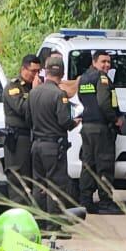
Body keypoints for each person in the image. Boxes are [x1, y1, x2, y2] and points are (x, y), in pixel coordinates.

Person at [28, 55, 79, 216]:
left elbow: (28, 118)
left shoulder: (33, 92)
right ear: (62, 73)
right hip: (53, 147)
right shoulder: (59, 94)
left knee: (39, 185)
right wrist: (74, 122)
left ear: (46, 71)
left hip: (36, 145)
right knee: (56, 185)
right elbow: (64, 121)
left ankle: (39, 222)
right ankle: (54, 225)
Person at [77, 51, 122, 215]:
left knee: (88, 165)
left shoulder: (83, 78)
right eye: (103, 61)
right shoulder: (102, 78)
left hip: (87, 126)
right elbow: (104, 102)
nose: (107, 65)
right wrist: (114, 119)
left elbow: (82, 99)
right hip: (101, 128)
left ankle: (85, 200)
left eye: (109, 62)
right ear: (94, 62)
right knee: (104, 165)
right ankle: (105, 202)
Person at [2, 54, 41, 204]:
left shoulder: (36, 85)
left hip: (35, 136)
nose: (35, 75)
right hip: (19, 138)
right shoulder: (14, 87)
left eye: (38, 71)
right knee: (18, 176)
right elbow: (22, 109)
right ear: (23, 69)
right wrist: (35, 92)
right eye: (32, 71)